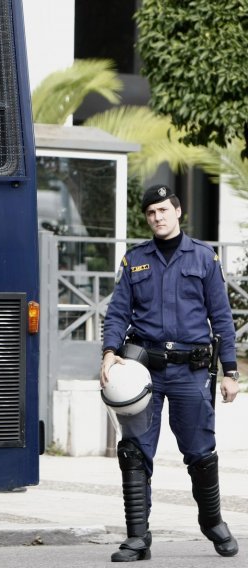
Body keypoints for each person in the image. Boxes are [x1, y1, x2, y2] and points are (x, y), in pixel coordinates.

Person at [100, 184, 240, 561]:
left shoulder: (204, 259)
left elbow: (222, 318)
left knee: (200, 452)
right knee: (134, 452)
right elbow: (117, 313)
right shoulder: (135, 261)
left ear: (177, 211)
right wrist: (109, 352)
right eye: (151, 213)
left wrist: (230, 372)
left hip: (190, 373)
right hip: (143, 372)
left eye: (163, 210)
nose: (157, 217)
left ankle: (212, 523)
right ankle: (137, 537)